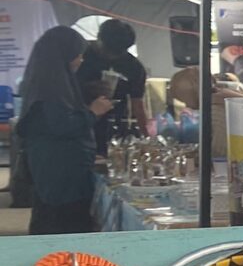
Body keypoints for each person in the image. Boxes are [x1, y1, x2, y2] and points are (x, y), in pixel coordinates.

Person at [15, 25, 113, 234]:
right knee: (63, 224)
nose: (81, 60)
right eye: (78, 55)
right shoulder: (51, 88)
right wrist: (93, 112)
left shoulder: (47, 81)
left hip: (56, 166)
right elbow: (62, 126)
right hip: (60, 173)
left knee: (50, 218)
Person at [77, 19, 147, 153]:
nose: (112, 57)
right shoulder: (81, 57)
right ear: (99, 39)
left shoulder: (134, 67)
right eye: (107, 51)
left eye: (118, 53)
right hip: (80, 123)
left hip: (115, 126)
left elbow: (137, 104)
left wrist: (146, 138)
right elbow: (63, 88)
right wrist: (87, 87)